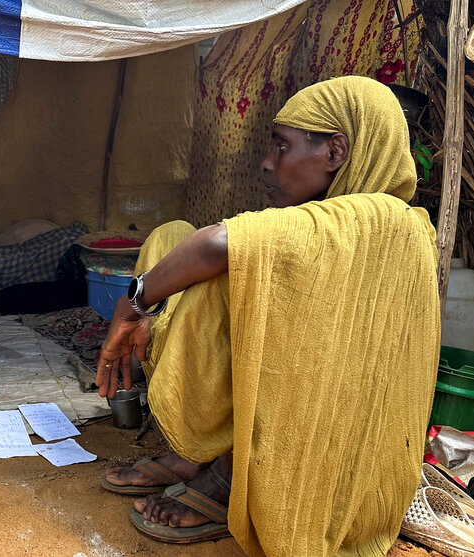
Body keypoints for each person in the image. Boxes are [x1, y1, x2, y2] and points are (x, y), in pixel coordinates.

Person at [95, 76, 441, 555]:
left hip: (321, 425)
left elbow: (219, 244)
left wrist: (130, 305)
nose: (266, 162)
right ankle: (190, 456)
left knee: (215, 274)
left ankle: (227, 472)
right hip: (297, 386)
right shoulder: (337, 217)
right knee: (169, 239)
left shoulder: (381, 219)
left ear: (336, 152)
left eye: (282, 147)